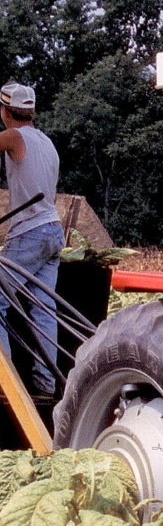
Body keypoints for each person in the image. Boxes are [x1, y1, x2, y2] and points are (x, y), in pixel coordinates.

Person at [0, 81, 63, 397]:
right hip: (53, 230)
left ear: (4, 111)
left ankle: (5, 386)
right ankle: (45, 386)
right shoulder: (47, 143)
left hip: (29, 232)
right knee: (43, 309)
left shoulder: (13, 136)